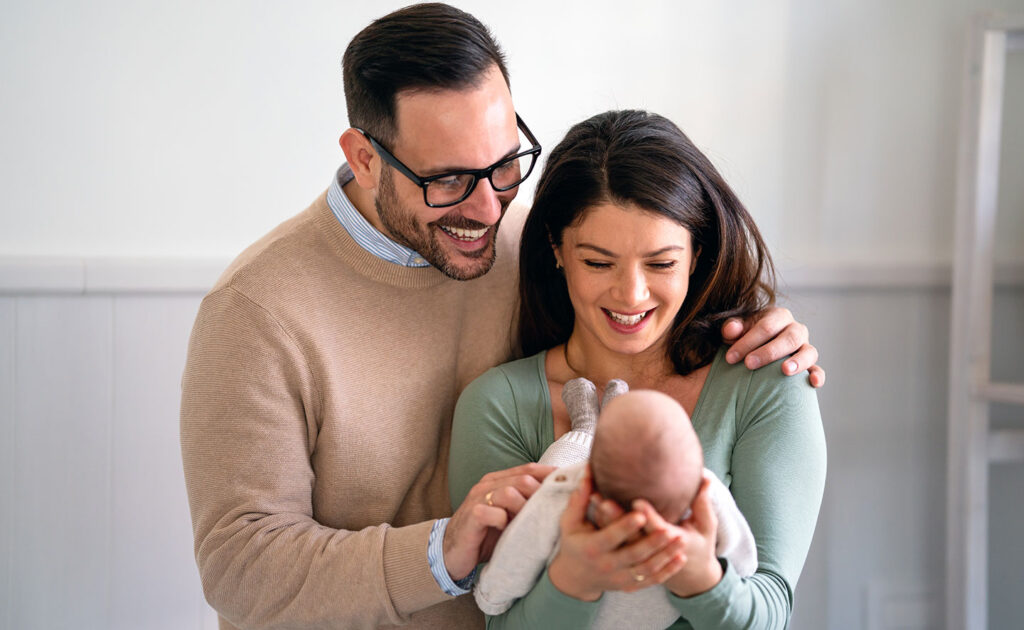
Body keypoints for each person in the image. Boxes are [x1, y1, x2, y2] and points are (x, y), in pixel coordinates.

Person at [180, 5, 824, 629]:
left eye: (505, 164)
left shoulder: (525, 245)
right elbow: (238, 566)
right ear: (365, 158)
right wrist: (440, 552)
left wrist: (768, 332)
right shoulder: (256, 311)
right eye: (449, 179)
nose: (489, 209)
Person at [449, 109, 827, 629]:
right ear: (557, 251)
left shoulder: (766, 382)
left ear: (696, 253)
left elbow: (771, 611)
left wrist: (698, 577)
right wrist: (575, 578)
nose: (631, 294)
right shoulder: (498, 405)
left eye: (661, 263)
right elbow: (499, 618)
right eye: (598, 262)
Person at [474, 385, 758, 630]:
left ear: (590, 476)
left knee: (552, 469)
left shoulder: (562, 495)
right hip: (653, 622)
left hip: (571, 617)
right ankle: (604, 420)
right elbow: (745, 566)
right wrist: (704, 572)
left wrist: (491, 596)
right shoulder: (707, 493)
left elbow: (520, 549)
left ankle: (587, 430)